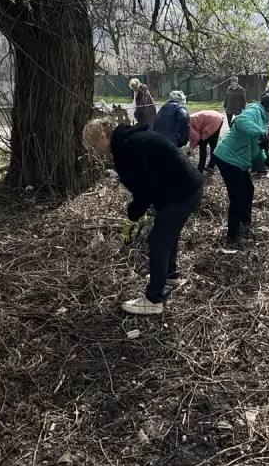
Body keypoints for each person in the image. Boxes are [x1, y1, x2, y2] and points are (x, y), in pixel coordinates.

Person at [82, 116, 203, 316]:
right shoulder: (130, 138)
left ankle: (153, 300)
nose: (96, 152)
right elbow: (151, 181)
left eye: (95, 146)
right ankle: (170, 276)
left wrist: (131, 218)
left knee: (158, 240)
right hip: (185, 187)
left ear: (103, 135)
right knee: (167, 232)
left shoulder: (126, 149)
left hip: (183, 191)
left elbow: (143, 191)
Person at [213, 101, 269, 242]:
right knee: (238, 196)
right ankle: (232, 235)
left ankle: (245, 222)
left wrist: (266, 159)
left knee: (248, 189)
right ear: (267, 107)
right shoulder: (255, 110)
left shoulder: (264, 122)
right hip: (228, 158)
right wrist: (261, 133)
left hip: (239, 160)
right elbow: (240, 121)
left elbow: (257, 148)